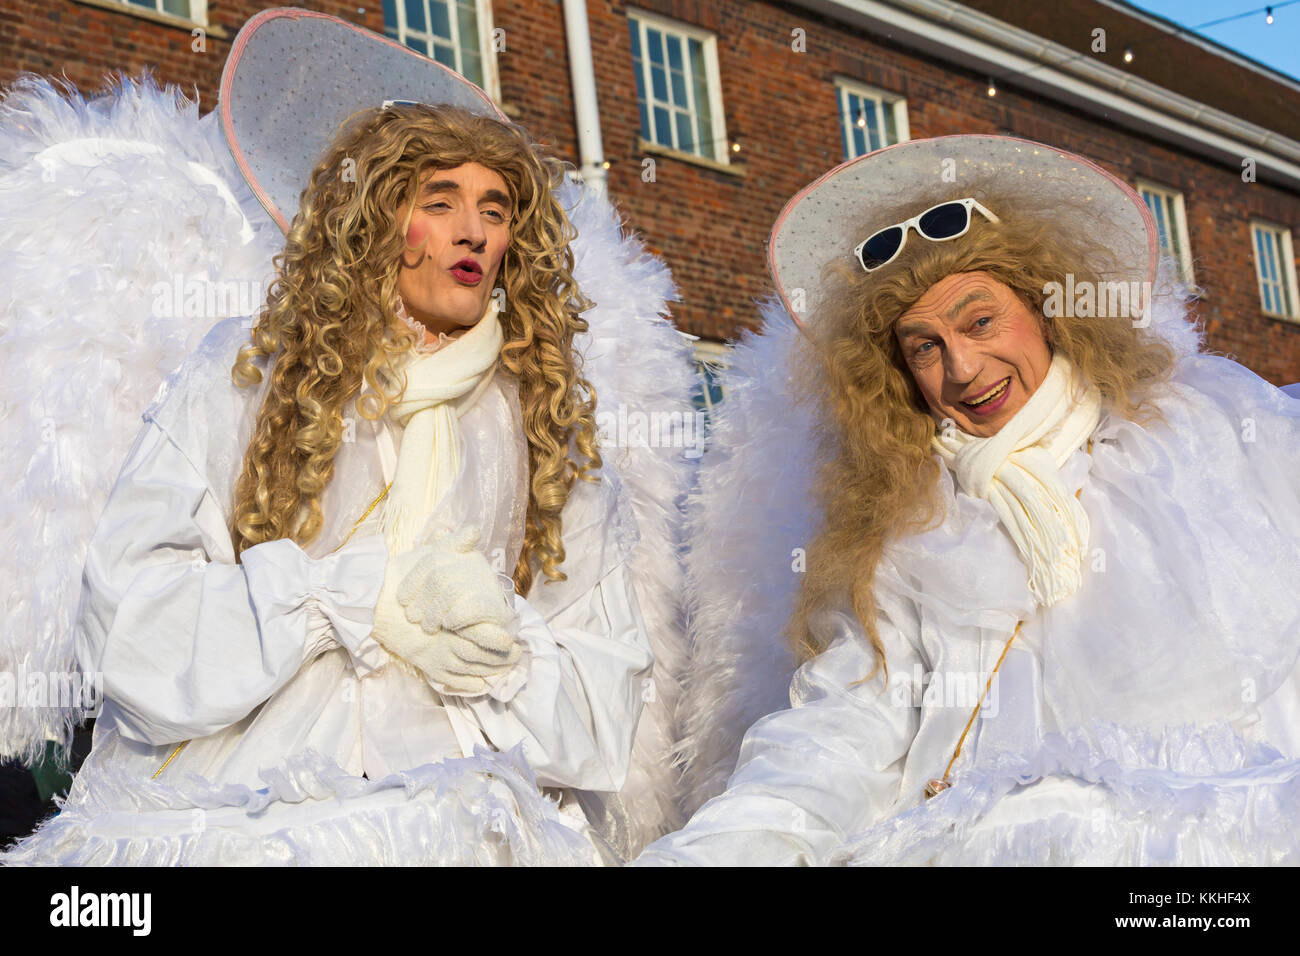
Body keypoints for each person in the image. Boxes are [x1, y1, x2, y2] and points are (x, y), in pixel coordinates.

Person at [1, 9, 691, 866]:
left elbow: (604, 692)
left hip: (476, 818)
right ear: (372, 219)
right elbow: (133, 617)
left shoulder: (545, 428)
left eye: (495, 208)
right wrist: (331, 599)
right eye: (439, 203)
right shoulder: (249, 375)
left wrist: (492, 642)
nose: (473, 231)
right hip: (249, 809)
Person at [641, 135, 1300, 865]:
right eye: (922, 346)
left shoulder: (1202, 435)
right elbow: (839, 737)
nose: (962, 367)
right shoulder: (905, 530)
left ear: (1049, 309)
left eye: (980, 321)